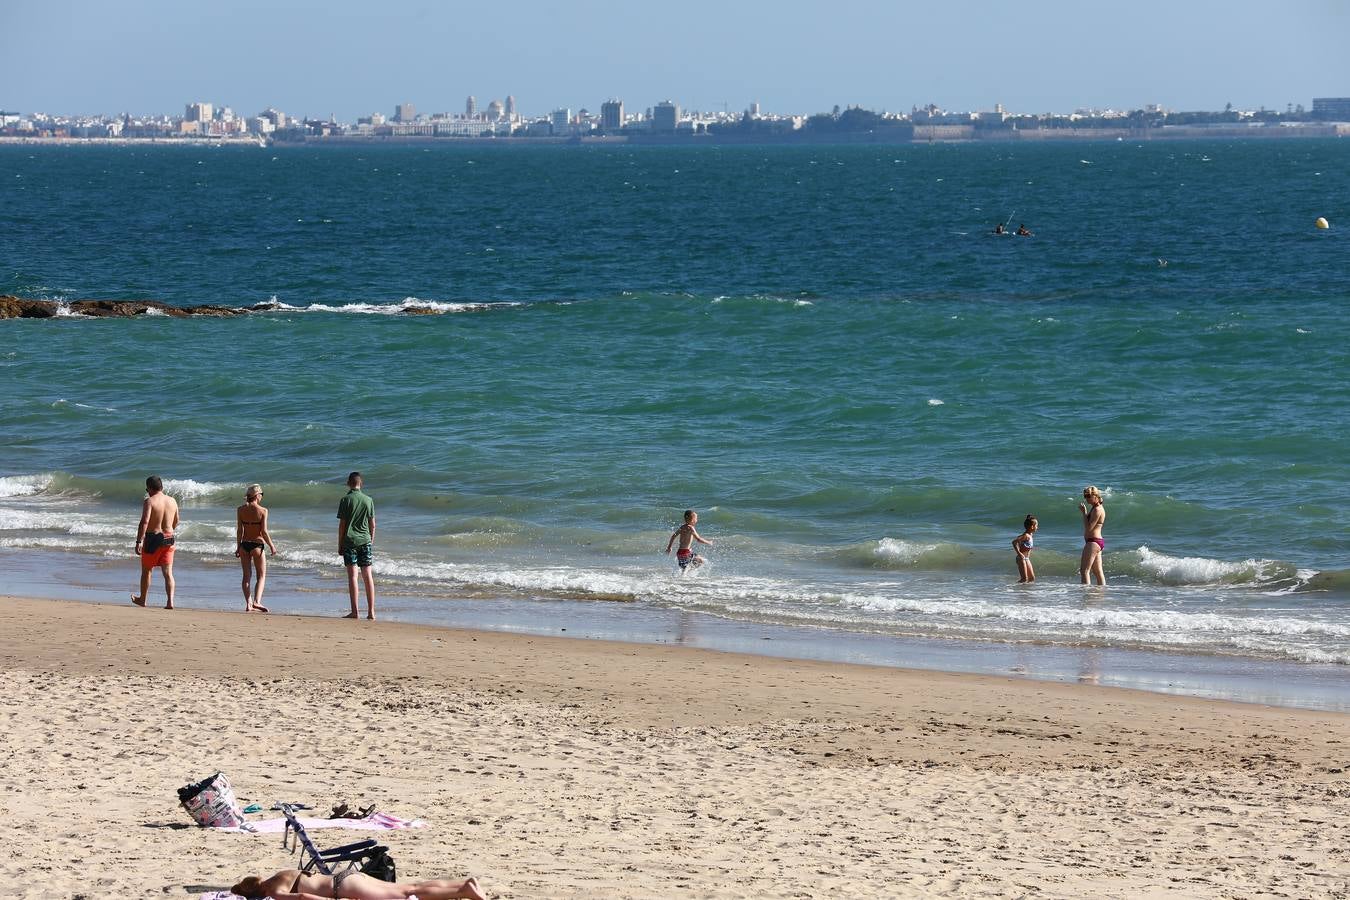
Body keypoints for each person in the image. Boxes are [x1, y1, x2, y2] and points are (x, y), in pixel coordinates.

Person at [231, 867, 485, 900]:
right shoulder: (280, 874)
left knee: (405, 895)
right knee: (409, 887)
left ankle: (465, 891)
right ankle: (464, 884)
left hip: (344, 889)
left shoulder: (274, 892)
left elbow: (303, 898)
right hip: (348, 876)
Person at [132, 475, 180, 609]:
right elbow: (177, 521)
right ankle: (170, 601)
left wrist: (138, 541)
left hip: (153, 538)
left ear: (149, 488)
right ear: (162, 487)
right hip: (169, 538)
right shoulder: (172, 501)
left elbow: (144, 522)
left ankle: (143, 599)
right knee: (168, 572)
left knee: (147, 571)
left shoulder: (150, 501)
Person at [338, 471, 376, 619]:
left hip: (350, 541)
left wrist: (340, 544)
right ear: (361, 483)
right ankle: (371, 611)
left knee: (353, 577)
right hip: (365, 540)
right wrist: (370, 541)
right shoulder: (368, 500)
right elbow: (373, 525)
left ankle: (355, 611)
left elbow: (342, 525)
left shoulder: (345, 500)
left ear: (348, 483)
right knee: (368, 576)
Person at [235, 483, 277, 612]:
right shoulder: (263, 511)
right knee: (261, 575)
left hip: (244, 545)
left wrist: (238, 547)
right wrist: (272, 546)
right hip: (257, 545)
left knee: (246, 576)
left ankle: (248, 603)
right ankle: (257, 602)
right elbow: (264, 532)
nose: (262, 497)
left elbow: (239, 531)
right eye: (261, 494)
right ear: (257, 496)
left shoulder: (240, 510)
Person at [665, 509, 713, 574]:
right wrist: (709, 542)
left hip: (679, 553)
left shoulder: (682, 527)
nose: (697, 520)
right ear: (693, 520)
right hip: (686, 552)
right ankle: (688, 571)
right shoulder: (691, 528)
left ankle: (684, 576)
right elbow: (699, 539)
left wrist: (669, 547)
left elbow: (673, 536)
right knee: (701, 561)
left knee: (684, 568)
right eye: (696, 518)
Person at [1079, 485, 1107, 585]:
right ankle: (1101, 595)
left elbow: (1089, 528)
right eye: (1085, 496)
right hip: (1096, 542)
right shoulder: (1096, 507)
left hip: (1093, 542)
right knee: (1097, 572)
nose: (1086, 498)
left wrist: (1084, 513)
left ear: (1095, 496)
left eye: (1088, 496)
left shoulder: (1097, 510)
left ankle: (1086, 596)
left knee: (1084, 571)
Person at [1012, 514, 1038, 583]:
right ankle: (1013, 589)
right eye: (1036, 526)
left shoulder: (1030, 535)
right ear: (1032, 527)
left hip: (1027, 559)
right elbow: (1014, 542)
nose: (1037, 527)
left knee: (1032, 578)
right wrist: (1019, 553)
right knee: (1024, 579)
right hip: (1021, 558)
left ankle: (1025, 592)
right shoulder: (1026, 535)